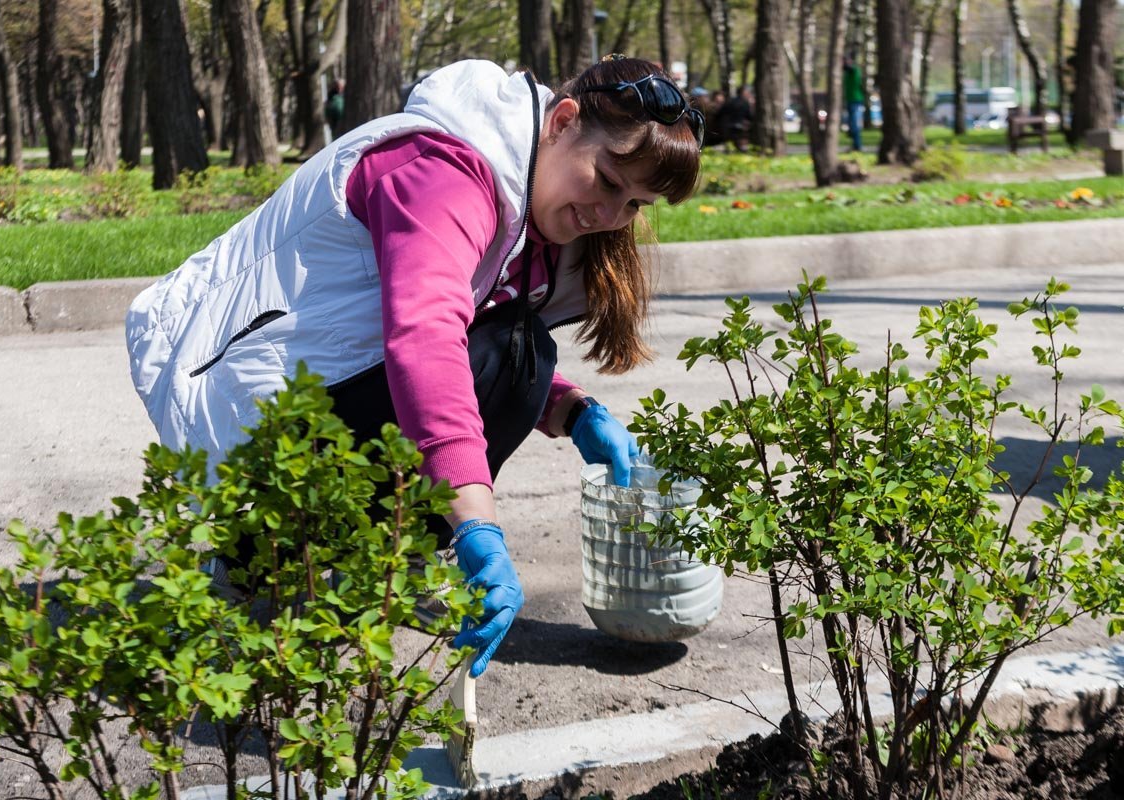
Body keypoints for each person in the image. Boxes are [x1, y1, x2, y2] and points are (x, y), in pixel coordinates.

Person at [125, 56, 703, 678]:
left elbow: (466, 329)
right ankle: (264, 561)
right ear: (562, 122)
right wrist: (477, 529)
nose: (613, 217)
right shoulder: (444, 172)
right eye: (609, 181)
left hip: (314, 383)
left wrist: (571, 410)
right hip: (239, 393)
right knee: (519, 354)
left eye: (636, 204)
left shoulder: (519, 200)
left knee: (525, 356)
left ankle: (338, 563)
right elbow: (427, 339)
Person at [714, 86, 753, 152]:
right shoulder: (745, 103)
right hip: (739, 128)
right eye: (748, 92)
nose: (749, 94)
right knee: (739, 145)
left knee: (730, 144)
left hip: (726, 127)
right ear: (743, 93)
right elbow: (749, 117)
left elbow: (719, 114)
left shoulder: (730, 101)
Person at [843, 53, 864, 152]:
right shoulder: (847, 73)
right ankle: (855, 145)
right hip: (850, 100)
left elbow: (849, 67)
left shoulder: (854, 70)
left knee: (855, 124)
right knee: (851, 124)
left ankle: (858, 146)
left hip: (856, 100)